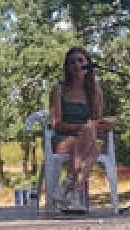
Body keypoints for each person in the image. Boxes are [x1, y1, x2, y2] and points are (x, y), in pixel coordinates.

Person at [49, 47, 115, 213]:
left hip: (86, 140)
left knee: (93, 148)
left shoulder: (95, 92)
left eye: (80, 61)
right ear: (67, 67)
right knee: (92, 143)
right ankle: (70, 190)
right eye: (72, 62)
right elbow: (56, 124)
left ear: (88, 65)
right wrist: (84, 128)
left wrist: (105, 124)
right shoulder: (59, 90)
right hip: (62, 139)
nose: (76, 65)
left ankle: (69, 190)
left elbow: (96, 121)